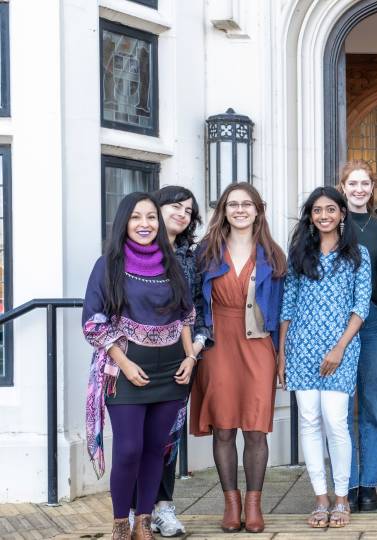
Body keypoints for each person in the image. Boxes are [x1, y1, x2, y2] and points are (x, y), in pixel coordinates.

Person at [82, 192, 196, 540]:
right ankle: (121, 523)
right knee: (130, 448)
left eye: (150, 217)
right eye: (135, 217)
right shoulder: (108, 265)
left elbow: (186, 315)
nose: (144, 224)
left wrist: (190, 357)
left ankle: (144, 522)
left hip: (172, 372)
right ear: (123, 222)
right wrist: (125, 363)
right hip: (125, 373)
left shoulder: (171, 264)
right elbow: (94, 322)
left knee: (156, 449)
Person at [190, 183, 287, 534]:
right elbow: (192, 303)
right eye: (233, 204)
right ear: (224, 210)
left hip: (259, 346)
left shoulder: (273, 255)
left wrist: (281, 356)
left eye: (247, 204)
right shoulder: (206, 252)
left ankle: (254, 505)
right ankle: (231, 504)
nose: (240, 210)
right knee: (224, 427)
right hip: (218, 345)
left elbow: (282, 311)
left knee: (256, 429)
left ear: (258, 210)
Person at [278, 187, 372, 529]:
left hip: (340, 348)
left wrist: (339, 348)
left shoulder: (358, 254)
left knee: (335, 421)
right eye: (317, 210)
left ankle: (342, 496)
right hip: (301, 348)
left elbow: (361, 306)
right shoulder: (299, 254)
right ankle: (321, 497)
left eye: (330, 209)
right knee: (309, 420)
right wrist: (282, 354)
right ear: (311, 216)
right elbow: (287, 306)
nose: (324, 216)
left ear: (342, 213)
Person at [129, 186, 209, 537]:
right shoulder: (131, 253)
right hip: (135, 360)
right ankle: (134, 511)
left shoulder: (192, 259)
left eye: (189, 210)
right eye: (175, 206)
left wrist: (194, 353)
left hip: (180, 360)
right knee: (135, 441)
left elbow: (199, 310)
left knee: (166, 439)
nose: (182, 214)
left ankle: (162, 508)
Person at [337, 161, 377, 513]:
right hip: (334, 323)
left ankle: (369, 484)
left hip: (373, 320)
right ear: (342, 187)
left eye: (365, 183)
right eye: (353, 183)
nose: (359, 189)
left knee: (373, 403)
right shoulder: (328, 224)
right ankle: (348, 483)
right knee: (339, 406)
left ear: (372, 188)